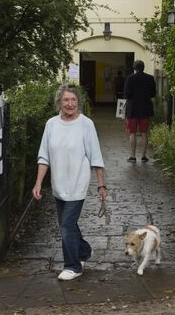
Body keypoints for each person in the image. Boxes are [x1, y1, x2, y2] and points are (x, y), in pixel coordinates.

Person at [32, 83, 108, 281]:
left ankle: (73, 266)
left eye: (73, 100)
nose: (70, 103)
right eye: (66, 100)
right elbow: (44, 157)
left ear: (78, 102)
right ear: (59, 102)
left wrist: (101, 185)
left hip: (77, 184)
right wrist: (38, 183)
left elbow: (96, 157)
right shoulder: (51, 124)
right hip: (59, 184)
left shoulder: (86, 124)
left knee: (66, 224)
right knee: (69, 225)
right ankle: (83, 251)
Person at [124, 60, 156, 163]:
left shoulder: (130, 78)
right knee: (144, 133)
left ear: (134, 68)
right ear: (143, 67)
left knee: (132, 133)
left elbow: (127, 94)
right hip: (145, 109)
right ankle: (144, 156)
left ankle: (132, 156)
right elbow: (153, 94)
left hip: (132, 109)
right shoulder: (150, 78)